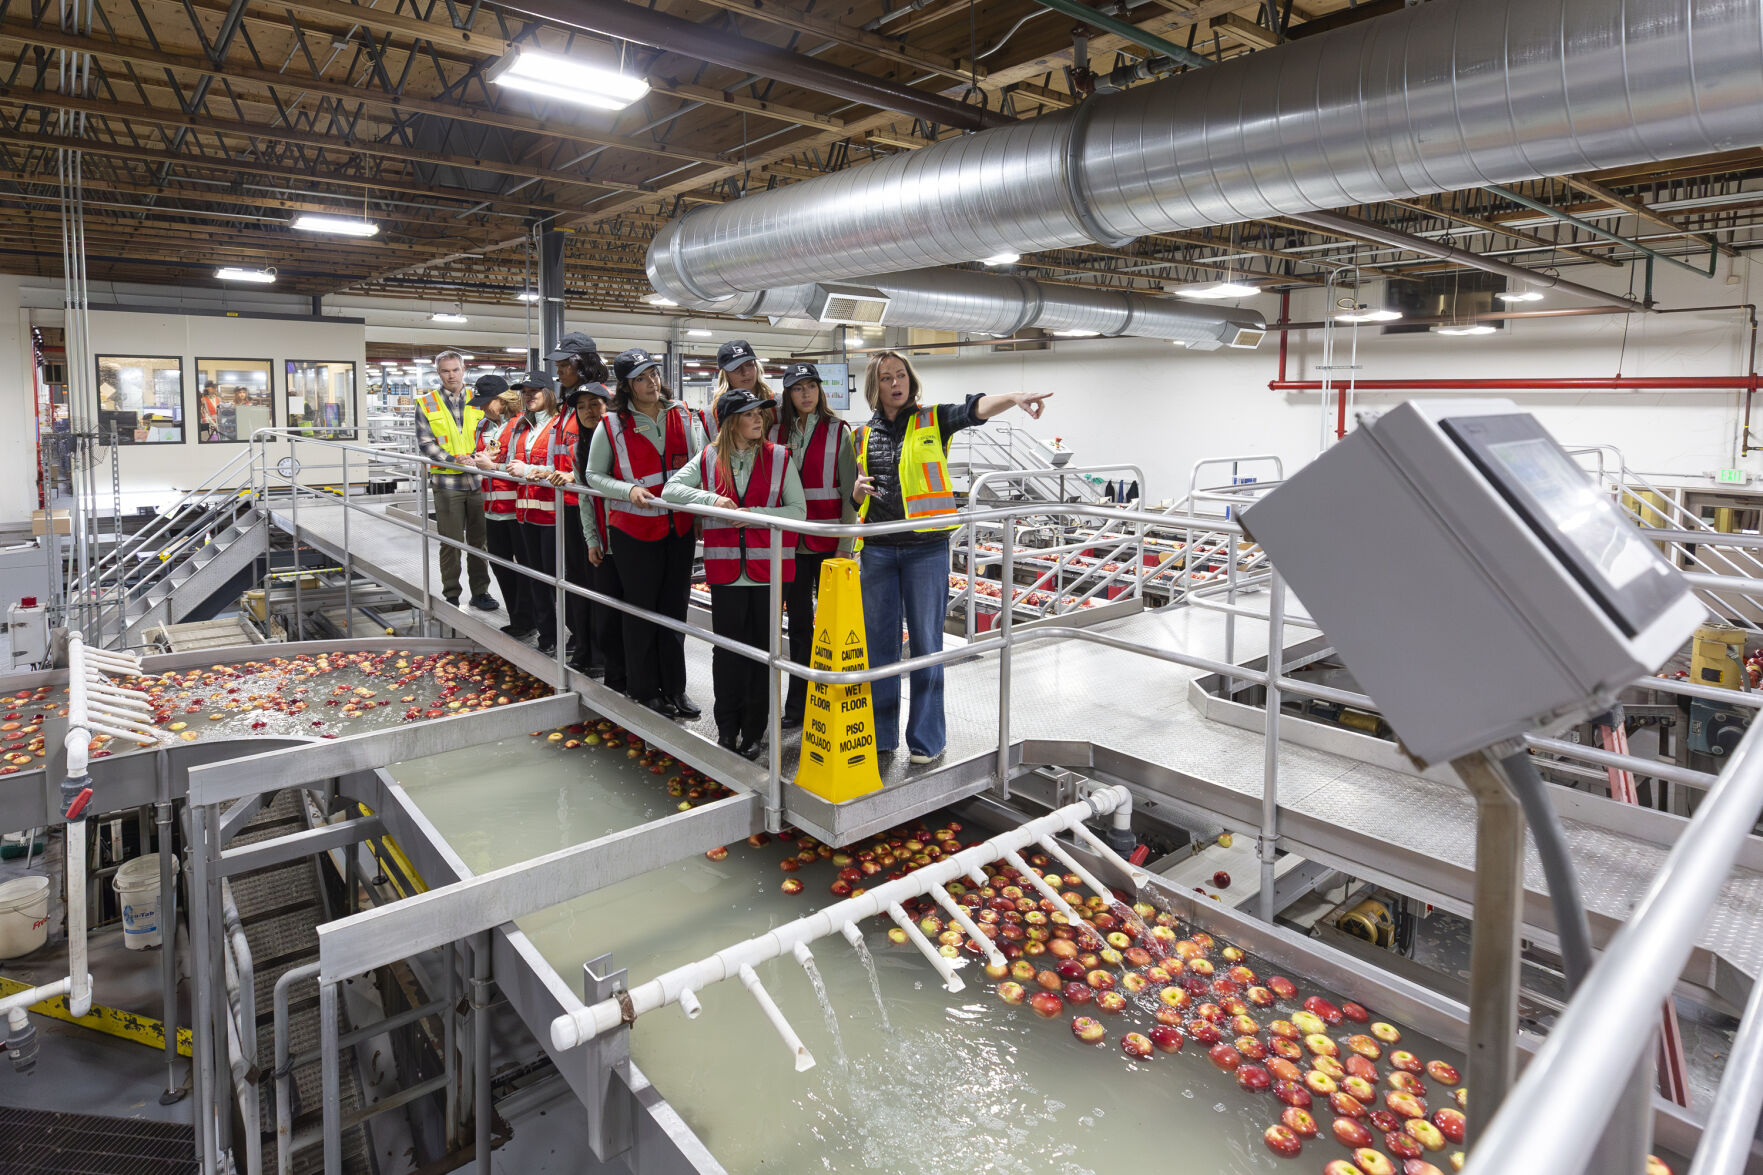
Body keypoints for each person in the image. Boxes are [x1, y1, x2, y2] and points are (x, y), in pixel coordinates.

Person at [852, 351, 1052, 764]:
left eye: (901, 374)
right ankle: (881, 736)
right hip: (878, 550)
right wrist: (857, 493)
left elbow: (974, 409)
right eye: (886, 377)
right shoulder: (862, 435)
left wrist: (1014, 397)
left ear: (911, 379)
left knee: (927, 645)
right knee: (879, 649)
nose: (895, 382)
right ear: (875, 387)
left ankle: (926, 741)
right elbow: (854, 496)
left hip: (925, 550)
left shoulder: (932, 419)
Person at [664, 389, 804, 758]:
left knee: (762, 654)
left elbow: (798, 512)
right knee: (727, 653)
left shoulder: (780, 458)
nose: (758, 419)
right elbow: (671, 489)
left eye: (760, 413)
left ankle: (755, 732)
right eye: (748, 414)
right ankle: (727, 728)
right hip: (726, 573)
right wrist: (712, 500)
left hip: (770, 573)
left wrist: (750, 513)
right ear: (730, 422)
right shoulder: (709, 456)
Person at [582, 348, 706, 720]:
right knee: (641, 612)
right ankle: (644, 689)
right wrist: (628, 491)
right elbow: (593, 476)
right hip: (634, 531)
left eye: (653, 374)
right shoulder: (612, 424)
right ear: (626, 386)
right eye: (641, 378)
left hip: (677, 528)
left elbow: (701, 461)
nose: (651, 382)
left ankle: (675, 689)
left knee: (673, 611)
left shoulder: (682, 414)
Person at [769, 361, 858, 729]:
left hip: (828, 543)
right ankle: (798, 706)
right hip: (790, 545)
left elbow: (851, 496)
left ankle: (833, 701)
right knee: (800, 625)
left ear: (820, 391)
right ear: (787, 394)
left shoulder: (840, 432)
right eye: (797, 388)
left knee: (833, 627)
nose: (805, 393)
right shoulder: (774, 431)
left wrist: (845, 546)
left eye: (811, 386)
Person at [547, 333, 612, 675]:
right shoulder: (569, 404)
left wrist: (575, 478)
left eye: (564, 364)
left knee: (594, 581)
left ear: (582, 363)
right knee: (576, 580)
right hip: (572, 503)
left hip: (592, 504)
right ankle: (584, 644)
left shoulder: (602, 404)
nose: (559, 371)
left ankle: (598, 651)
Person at [414, 350, 496, 611]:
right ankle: (451, 594)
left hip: (479, 481)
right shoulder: (426, 403)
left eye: (455, 370)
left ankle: (480, 592)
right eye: (445, 371)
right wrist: (453, 459)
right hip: (447, 483)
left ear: (464, 370)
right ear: (438, 373)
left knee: (479, 541)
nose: (451, 375)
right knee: (450, 542)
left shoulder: (479, 399)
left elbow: (496, 432)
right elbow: (426, 443)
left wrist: (482, 457)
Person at [494, 371, 565, 656]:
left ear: (550, 392)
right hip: (525, 515)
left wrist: (530, 472)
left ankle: (568, 638)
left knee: (556, 581)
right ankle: (548, 636)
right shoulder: (521, 426)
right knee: (536, 579)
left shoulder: (560, 425)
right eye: (525, 391)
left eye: (535, 390)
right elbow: (513, 465)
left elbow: (565, 468)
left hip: (553, 516)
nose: (529, 395)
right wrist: (494, 466)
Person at [471, 377, 533, 639]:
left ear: (502, 399)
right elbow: (480, 456)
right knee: (502, 566)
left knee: (527, 569)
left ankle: (534, 619)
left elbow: (522, 461)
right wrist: (472, 458)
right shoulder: (482, 426)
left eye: (487, 403)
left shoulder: (522, 423)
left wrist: (492, 465)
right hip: (492, 507)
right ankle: (518, 620)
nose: (483, 408)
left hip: (518, 509)